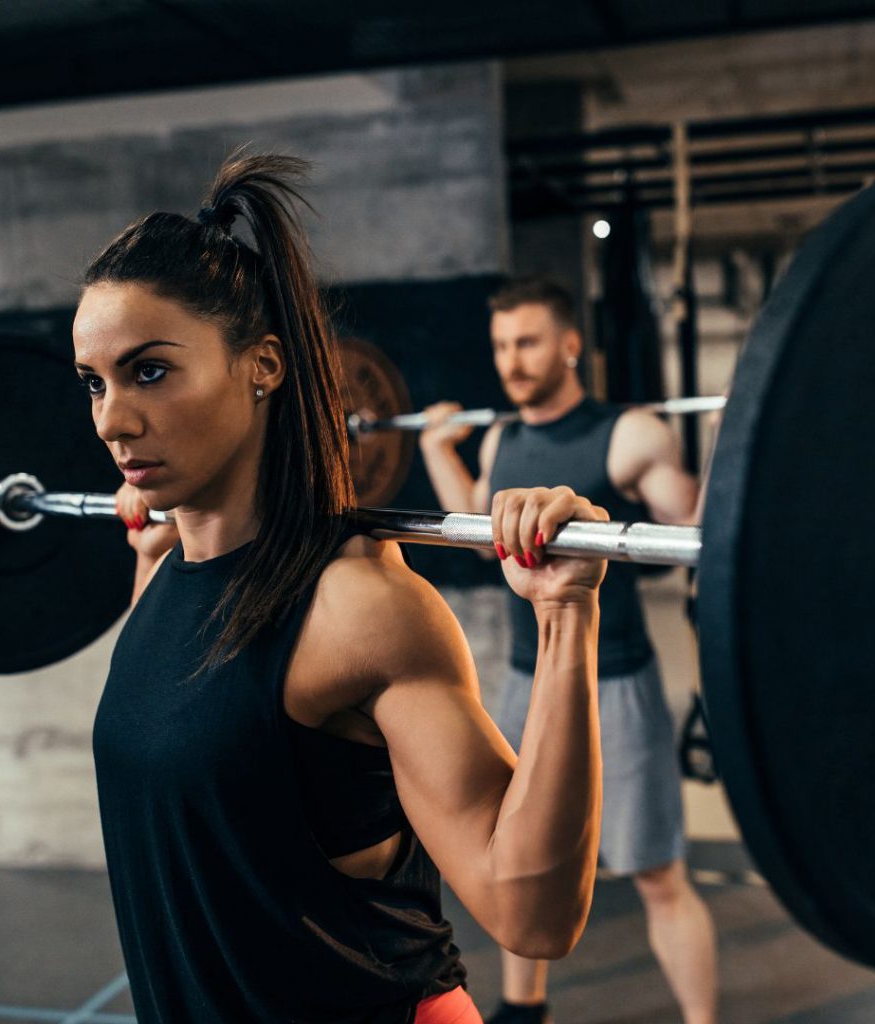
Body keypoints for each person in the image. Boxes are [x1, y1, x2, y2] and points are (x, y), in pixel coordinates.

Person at [75, 155, 612, 1024]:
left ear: (264, 366)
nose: (110, 419)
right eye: (94, 383)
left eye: (149, 371)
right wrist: (151, 549)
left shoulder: (359, 606)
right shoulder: (167, 579)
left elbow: (535, 913)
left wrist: (564, 613)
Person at [419, 277, 719, 1024]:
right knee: (520, 856)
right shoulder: (502, 438)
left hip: (616, 680)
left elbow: (695, 530)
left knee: (656, 875)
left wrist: (741, 439)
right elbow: (488, 537)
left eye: (526, 342)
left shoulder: (630, 433)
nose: (511, 362)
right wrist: (433, 447)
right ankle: (525, 1010)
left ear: (570, 345)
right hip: (526, 679)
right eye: (500, 346)